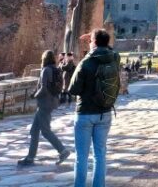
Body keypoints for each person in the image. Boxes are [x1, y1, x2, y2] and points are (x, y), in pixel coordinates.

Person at [68, 28, 121, 187]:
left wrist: (92, 44)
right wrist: (97, 38)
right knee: (100, 155)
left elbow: (73, 89)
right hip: (105, 113)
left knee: (82, 156)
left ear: (94, 43)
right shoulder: (114, 59)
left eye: (91, 41)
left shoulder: (86, 61)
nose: (89, 43)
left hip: (85, 113)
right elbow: (110, 50)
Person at [18, 50, 71, 167]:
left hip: (44, 103)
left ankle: (63, 150)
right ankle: (30, 157)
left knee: (45, 131)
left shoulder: (46, 70)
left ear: (44, 59)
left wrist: (34, 95)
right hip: (51, 102)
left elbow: (43, 88)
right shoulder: (55, 69)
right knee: (34, 131)